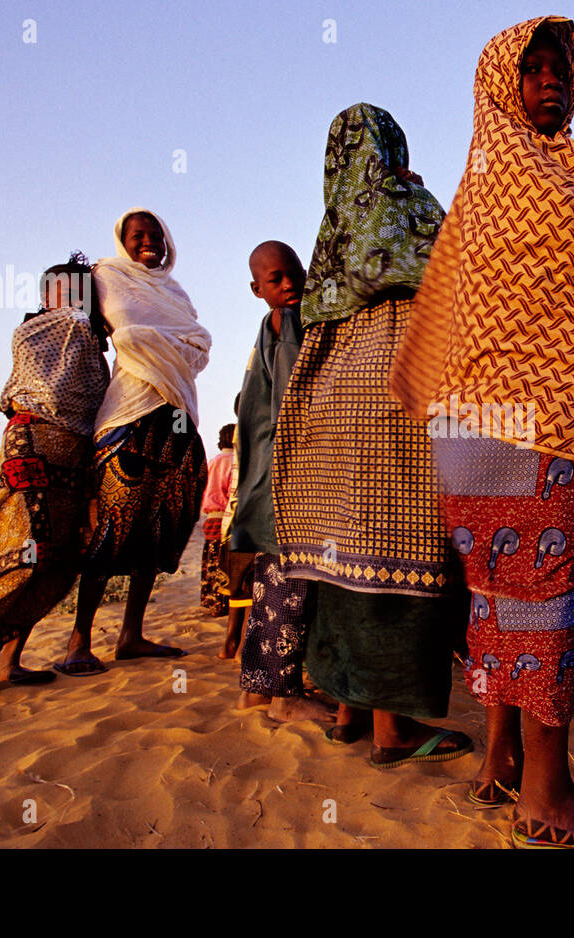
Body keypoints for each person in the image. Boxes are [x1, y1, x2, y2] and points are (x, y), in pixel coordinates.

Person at [391, 17, 574, 849]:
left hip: (471, 431)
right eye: (532, 69)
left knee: (501, 595)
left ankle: (501, 761)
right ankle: (549, 800)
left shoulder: (495, 182)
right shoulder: (526, 176)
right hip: (550, 426)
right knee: (547, 597)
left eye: (560, 69)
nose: (550, 82)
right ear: (502, 80)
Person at [272, 104, 472, 761]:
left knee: (342, 560)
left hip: (331, 410)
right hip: (394, 404)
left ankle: (347, 712)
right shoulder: (407, 202)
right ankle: (395, 732)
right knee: (400, 560)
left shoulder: (330, 226)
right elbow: (454, 274)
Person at [0, 253, 109, 701]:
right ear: (48, 294)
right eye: (68, 289)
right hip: (34, 442)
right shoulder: (50, 328)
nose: (77, 298)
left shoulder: (84, 333)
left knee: (57, 559)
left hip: (69, 452)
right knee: (23, 551)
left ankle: (7, 663)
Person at [57, 208, 211, 675]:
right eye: (138, 235)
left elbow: (199, 346)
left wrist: (141, 337)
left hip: (178, 413)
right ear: (122, 241)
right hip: (127, 412)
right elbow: (84, 329)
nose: (149, 242)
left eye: (156, 234)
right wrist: (148, 339)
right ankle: (78, 641)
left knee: (161, 525)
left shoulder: (176, 293)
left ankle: (131, 635)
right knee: (112, 527)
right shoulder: (105, 277)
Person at [232, 240, 334, 722]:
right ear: (257, 289)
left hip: (268, 480)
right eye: (276, 279)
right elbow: (302, 406)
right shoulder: (290, 325)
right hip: (294, 477)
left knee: (270, 583)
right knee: (293, 582)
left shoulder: (267, 326)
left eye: (295, 273)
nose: (290, 283)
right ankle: (285, 699)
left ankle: (256, 689)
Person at [199, 424, 235, 617]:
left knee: (210, 558)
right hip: (226, 517)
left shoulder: (213, 461)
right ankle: (222, 603)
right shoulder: (235, 461)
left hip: (210, 517)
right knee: (223, 560)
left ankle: (209, 599)